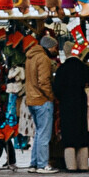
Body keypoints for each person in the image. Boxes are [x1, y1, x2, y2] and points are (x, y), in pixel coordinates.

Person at [52, 46, 89, 172]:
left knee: (69, 133)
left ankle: (71, 165)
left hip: (66, 104)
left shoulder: (62, 69)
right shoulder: (83, 67)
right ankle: (83, 165)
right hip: (80, 102)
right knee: (82, 131)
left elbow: (56, 88)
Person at [22, 31, 59, 169]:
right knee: (44, 135)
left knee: (38, 133)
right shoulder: (43, 58)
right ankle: (42, 165)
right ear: (49, 47)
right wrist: (50, 96)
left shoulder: (30, 57)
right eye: (54, 47)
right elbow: (44, 81)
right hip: (42, 100)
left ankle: (34, 163)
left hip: (32, 99)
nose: (55, 50)